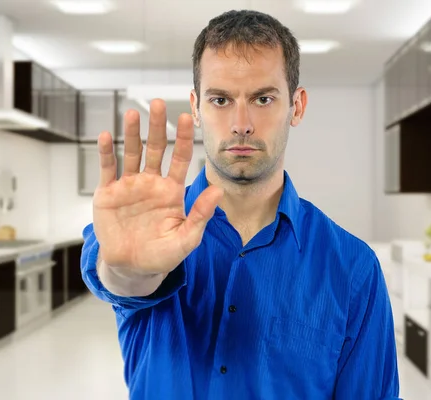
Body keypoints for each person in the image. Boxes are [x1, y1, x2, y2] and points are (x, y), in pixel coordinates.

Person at [80, 9, 400, 400]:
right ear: (196, 108)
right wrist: (130, 272)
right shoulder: (147, 227)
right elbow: (123, 280)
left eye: (263, 98)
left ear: (296, 106)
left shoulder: (353, 267)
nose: (242, 123)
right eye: (220, 99)